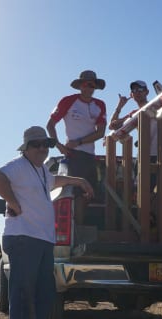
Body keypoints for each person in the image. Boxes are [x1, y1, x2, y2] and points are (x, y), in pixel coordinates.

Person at [0, 126, 94, 319]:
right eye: (36, 144)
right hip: (23, 238)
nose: (42, 148)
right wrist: (12, 201)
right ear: (26, 147)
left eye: (46, 144)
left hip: (43, 240)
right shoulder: (18, 166)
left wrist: (77, 180)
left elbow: (54, 180)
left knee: (45, 293)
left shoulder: (41, 171)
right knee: (23, 293)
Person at [46, 70, 107, 224]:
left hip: (90, 157)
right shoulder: (68, 101)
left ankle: (85, 227)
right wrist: (58, 145)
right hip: (73, 155)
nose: (89, 88)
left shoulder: (100, 105)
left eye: (92, 85)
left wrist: (79, 142)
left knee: (90, 194)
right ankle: (77, 231)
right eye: (86, 84)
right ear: (80, 86)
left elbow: (100, 133)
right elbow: (50, 125)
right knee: (78, 194)